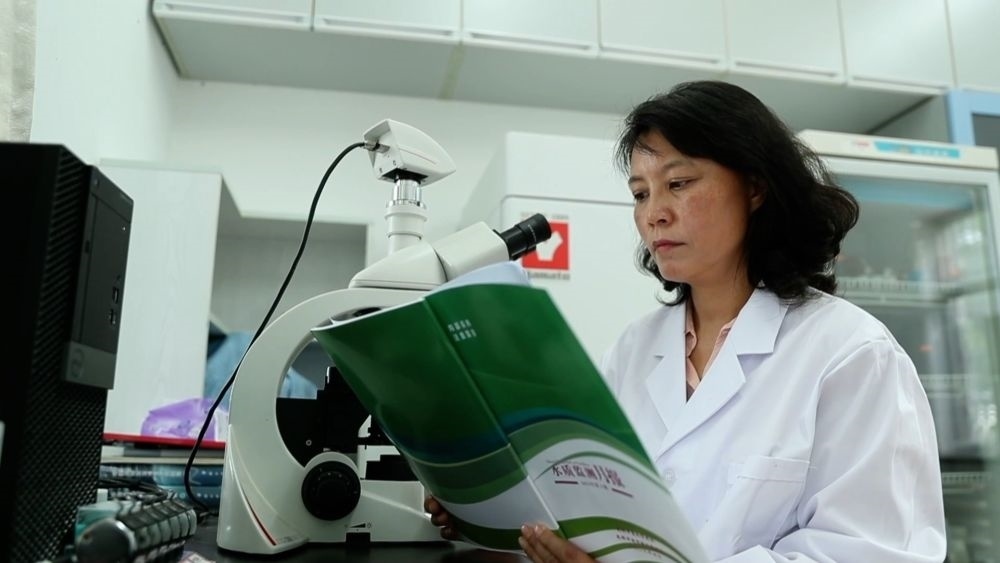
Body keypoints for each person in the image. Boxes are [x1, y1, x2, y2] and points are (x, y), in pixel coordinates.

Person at [425, 80, 947, 562]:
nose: (654, 213)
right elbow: (582, 501)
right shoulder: (633, 350)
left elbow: (871, 550)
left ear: (755, 187)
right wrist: (489, 509)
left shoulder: (850, 352)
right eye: (640, 193)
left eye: (677, 183)